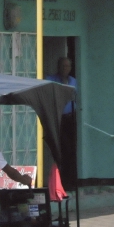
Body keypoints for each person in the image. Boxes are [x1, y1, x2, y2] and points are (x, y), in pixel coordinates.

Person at [46, 57, 79, 189]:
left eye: (68, 66)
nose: (65, 69)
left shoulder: (73, 81)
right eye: (63, 66)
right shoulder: (51, 79)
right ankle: (60, 182)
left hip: (70, 118)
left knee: (70, 149)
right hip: (57, 118)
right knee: (60, 149)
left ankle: (71, 181)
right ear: (58, 67)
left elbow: (73, 96)